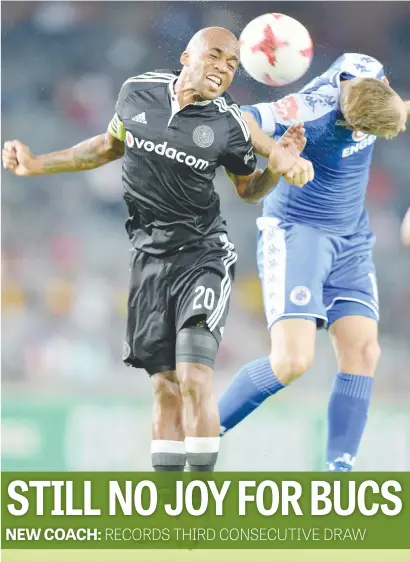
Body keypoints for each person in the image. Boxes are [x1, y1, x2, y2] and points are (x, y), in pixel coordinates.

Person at [2, 27, 313, 472]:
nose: (224, 68)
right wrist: (36, 164)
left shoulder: (228, 123)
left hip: (203, 256)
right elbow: (106, 147)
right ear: (187, 55)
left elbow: (249, 190)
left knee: (193, 377)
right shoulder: (137, 91)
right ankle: (168, 515)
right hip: (148, 260)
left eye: (232, 65)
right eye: (217, 55)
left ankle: (200, 506)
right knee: (165, 386)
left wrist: (277, 170)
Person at [218, 53, 409, 471]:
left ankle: (337, 476)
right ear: (352, 122)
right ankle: (200, 434)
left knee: (364, 350)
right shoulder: (309, 109)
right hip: (297, 234)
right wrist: (281, 155)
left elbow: (400, 110)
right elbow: (239, 119)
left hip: (352, 237)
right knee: (292, 362)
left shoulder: (371, 72)